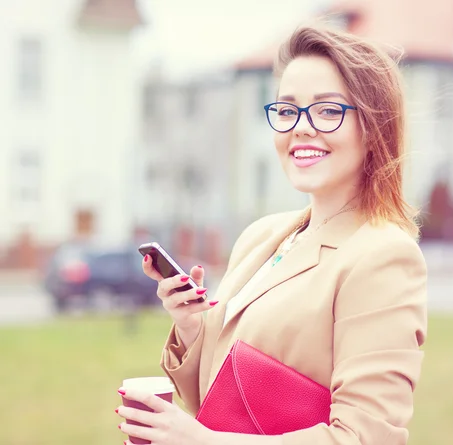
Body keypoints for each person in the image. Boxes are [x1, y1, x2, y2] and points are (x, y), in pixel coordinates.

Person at [116, 22, 428, 445]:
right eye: (286, 109)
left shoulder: (383, 255)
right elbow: (215, 400)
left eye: (328, 110)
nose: (300, 126)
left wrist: (200, 442)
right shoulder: (261, 236)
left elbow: (364, 438)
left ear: (372, 127)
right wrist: (190, 327)